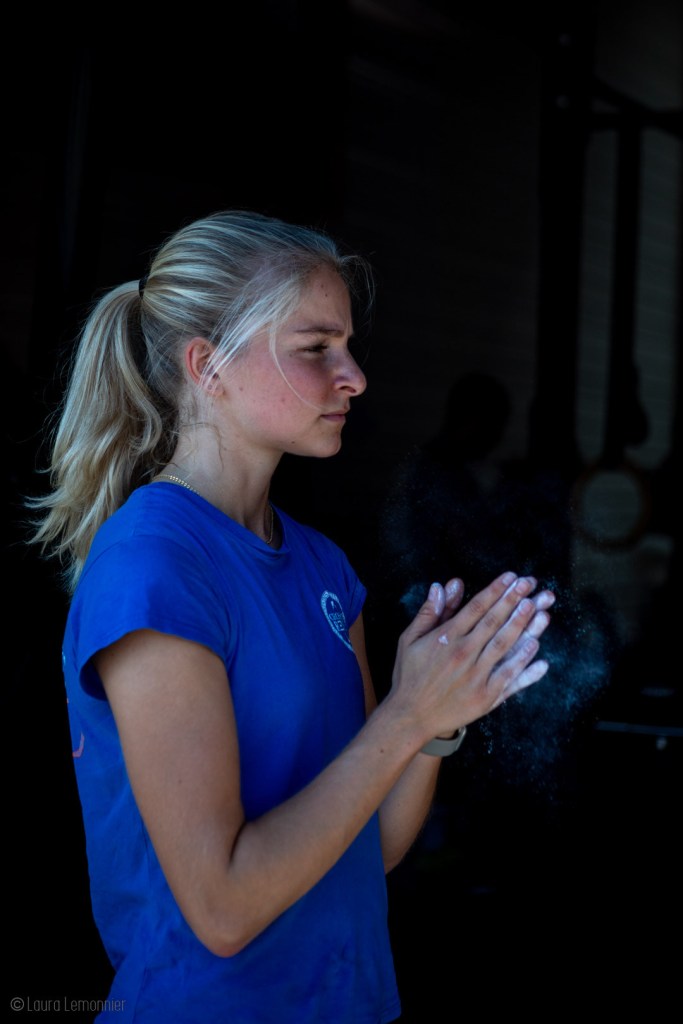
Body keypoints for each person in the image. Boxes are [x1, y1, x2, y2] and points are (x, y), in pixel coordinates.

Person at [29, 209, 555, 1023]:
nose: (354, 376)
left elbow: (372, 846)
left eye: (347, 346)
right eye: (316, 348)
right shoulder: (154, 565)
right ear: (208, 365)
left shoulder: (322, 565)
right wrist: (403, 716)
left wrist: (434, 718)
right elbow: (224, 907)